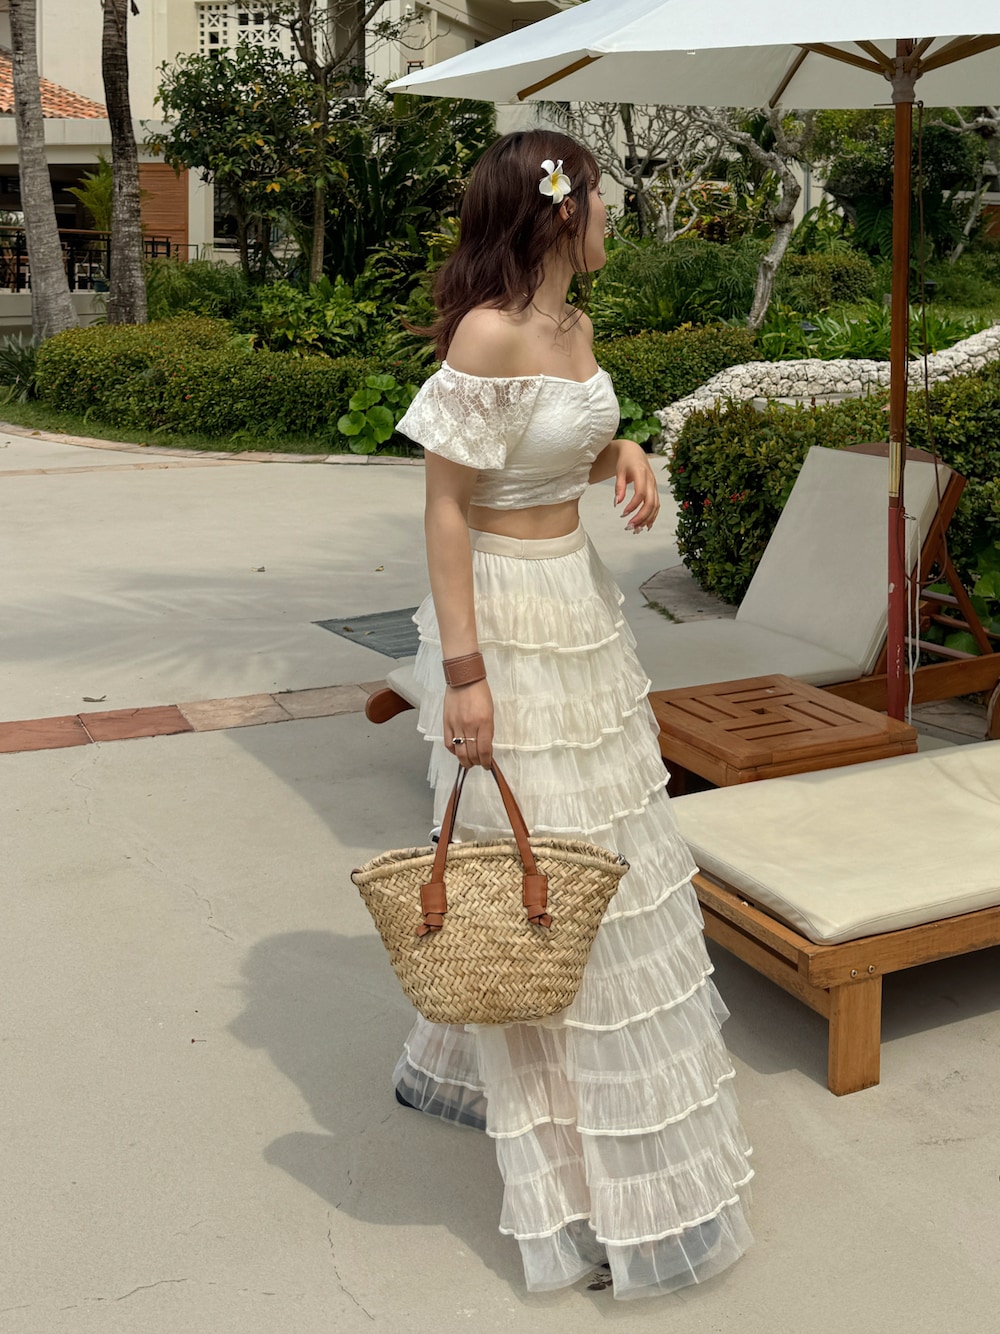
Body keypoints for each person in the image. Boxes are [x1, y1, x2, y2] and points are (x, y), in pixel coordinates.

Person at [393, 129, 753, 1301]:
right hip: (502, 614)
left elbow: (559, 447)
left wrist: (626, 451)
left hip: (580, 610)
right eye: (600, 198)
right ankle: (578, 1180)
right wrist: (463, 674)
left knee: (607, 865)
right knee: (544, 870)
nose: (611, 216)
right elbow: (447, 508)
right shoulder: (488, 332)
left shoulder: (571, 324)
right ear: (557, 209)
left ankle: (596, 1132)